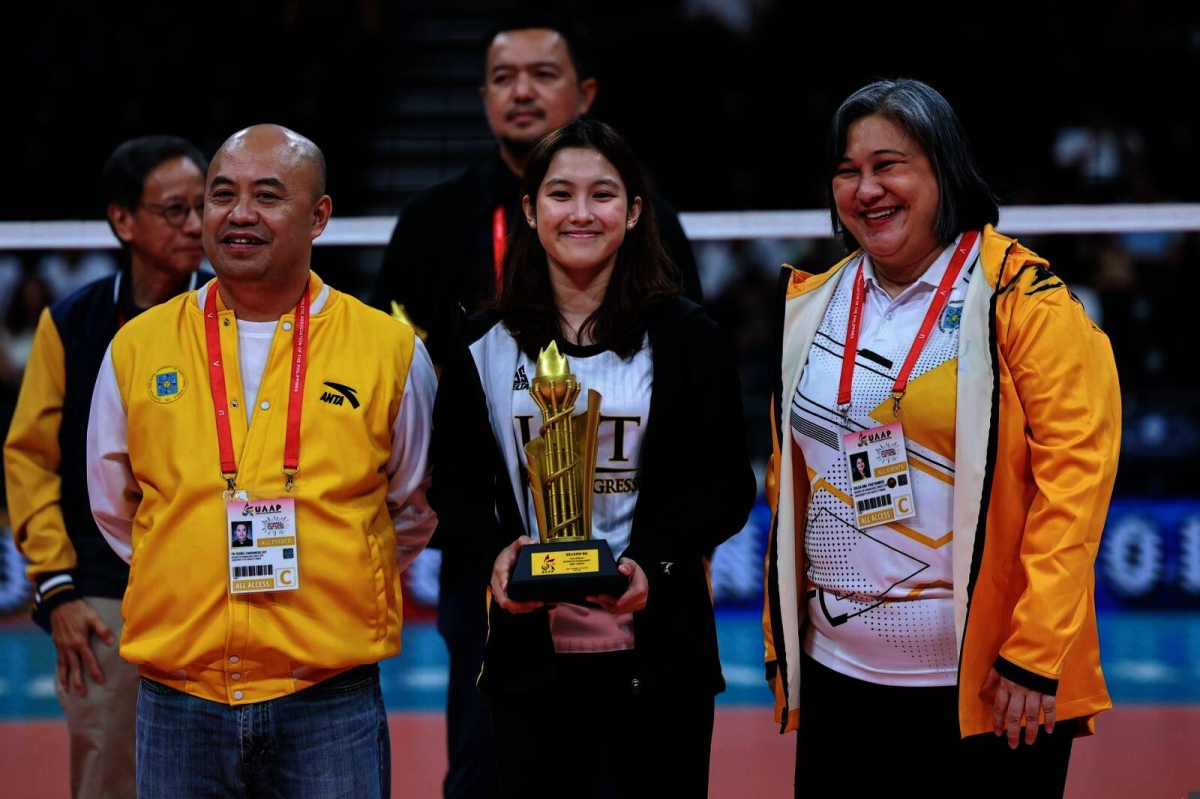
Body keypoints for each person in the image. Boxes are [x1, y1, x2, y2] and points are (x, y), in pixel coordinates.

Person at [370, 14, 705, 797]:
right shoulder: (432, 221)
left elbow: (691, 394)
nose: (521, 92)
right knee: (491, 772)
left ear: (584, 92)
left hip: (632, 560)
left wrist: (663, 546)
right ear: (483, 95)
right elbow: (400, 376)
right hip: (488, 557)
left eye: (543, 74)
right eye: (502, 77)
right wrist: (474, 531)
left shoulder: (645, 215)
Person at [761, 79, 1120, 798]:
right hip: (840, 681)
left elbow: (1075, 483)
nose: (867, 188)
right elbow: (790, 482)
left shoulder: (1025, 300)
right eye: (847, 170)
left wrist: (1034, 654)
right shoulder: (813, 303)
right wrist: (786, 647)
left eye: (889, 164)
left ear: (943, 169)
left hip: (990, 691)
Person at [86, 124, 438, 798]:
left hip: (328, 694)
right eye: (222, 194)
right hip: (179, 694)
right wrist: (192, 565)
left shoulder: (389, 350)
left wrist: (338, 575)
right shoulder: (138, 346)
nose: (238, 213)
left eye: (267, 195)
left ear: (319, 216)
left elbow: (411, 506)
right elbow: (115, 502)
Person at [429, 118, 755, 799]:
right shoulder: (479, 340)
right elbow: (454, 487)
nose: (581, 213)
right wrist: (494, 552)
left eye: (603, 194)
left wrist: (655, 564)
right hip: (528, 657)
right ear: (529, 209)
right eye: (560, 194)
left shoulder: (689, 336)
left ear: (634, 211)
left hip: (662, 655)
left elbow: (725, 485)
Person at [4, 134, 210, 799]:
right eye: (175, 209)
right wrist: (58, 589)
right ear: (123, 220)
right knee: (109, 777)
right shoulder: (72, 323)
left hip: (222, 583)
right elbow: (31, 460)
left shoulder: (241, 312)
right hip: (103, 594)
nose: (197, 224)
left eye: (204, 206)